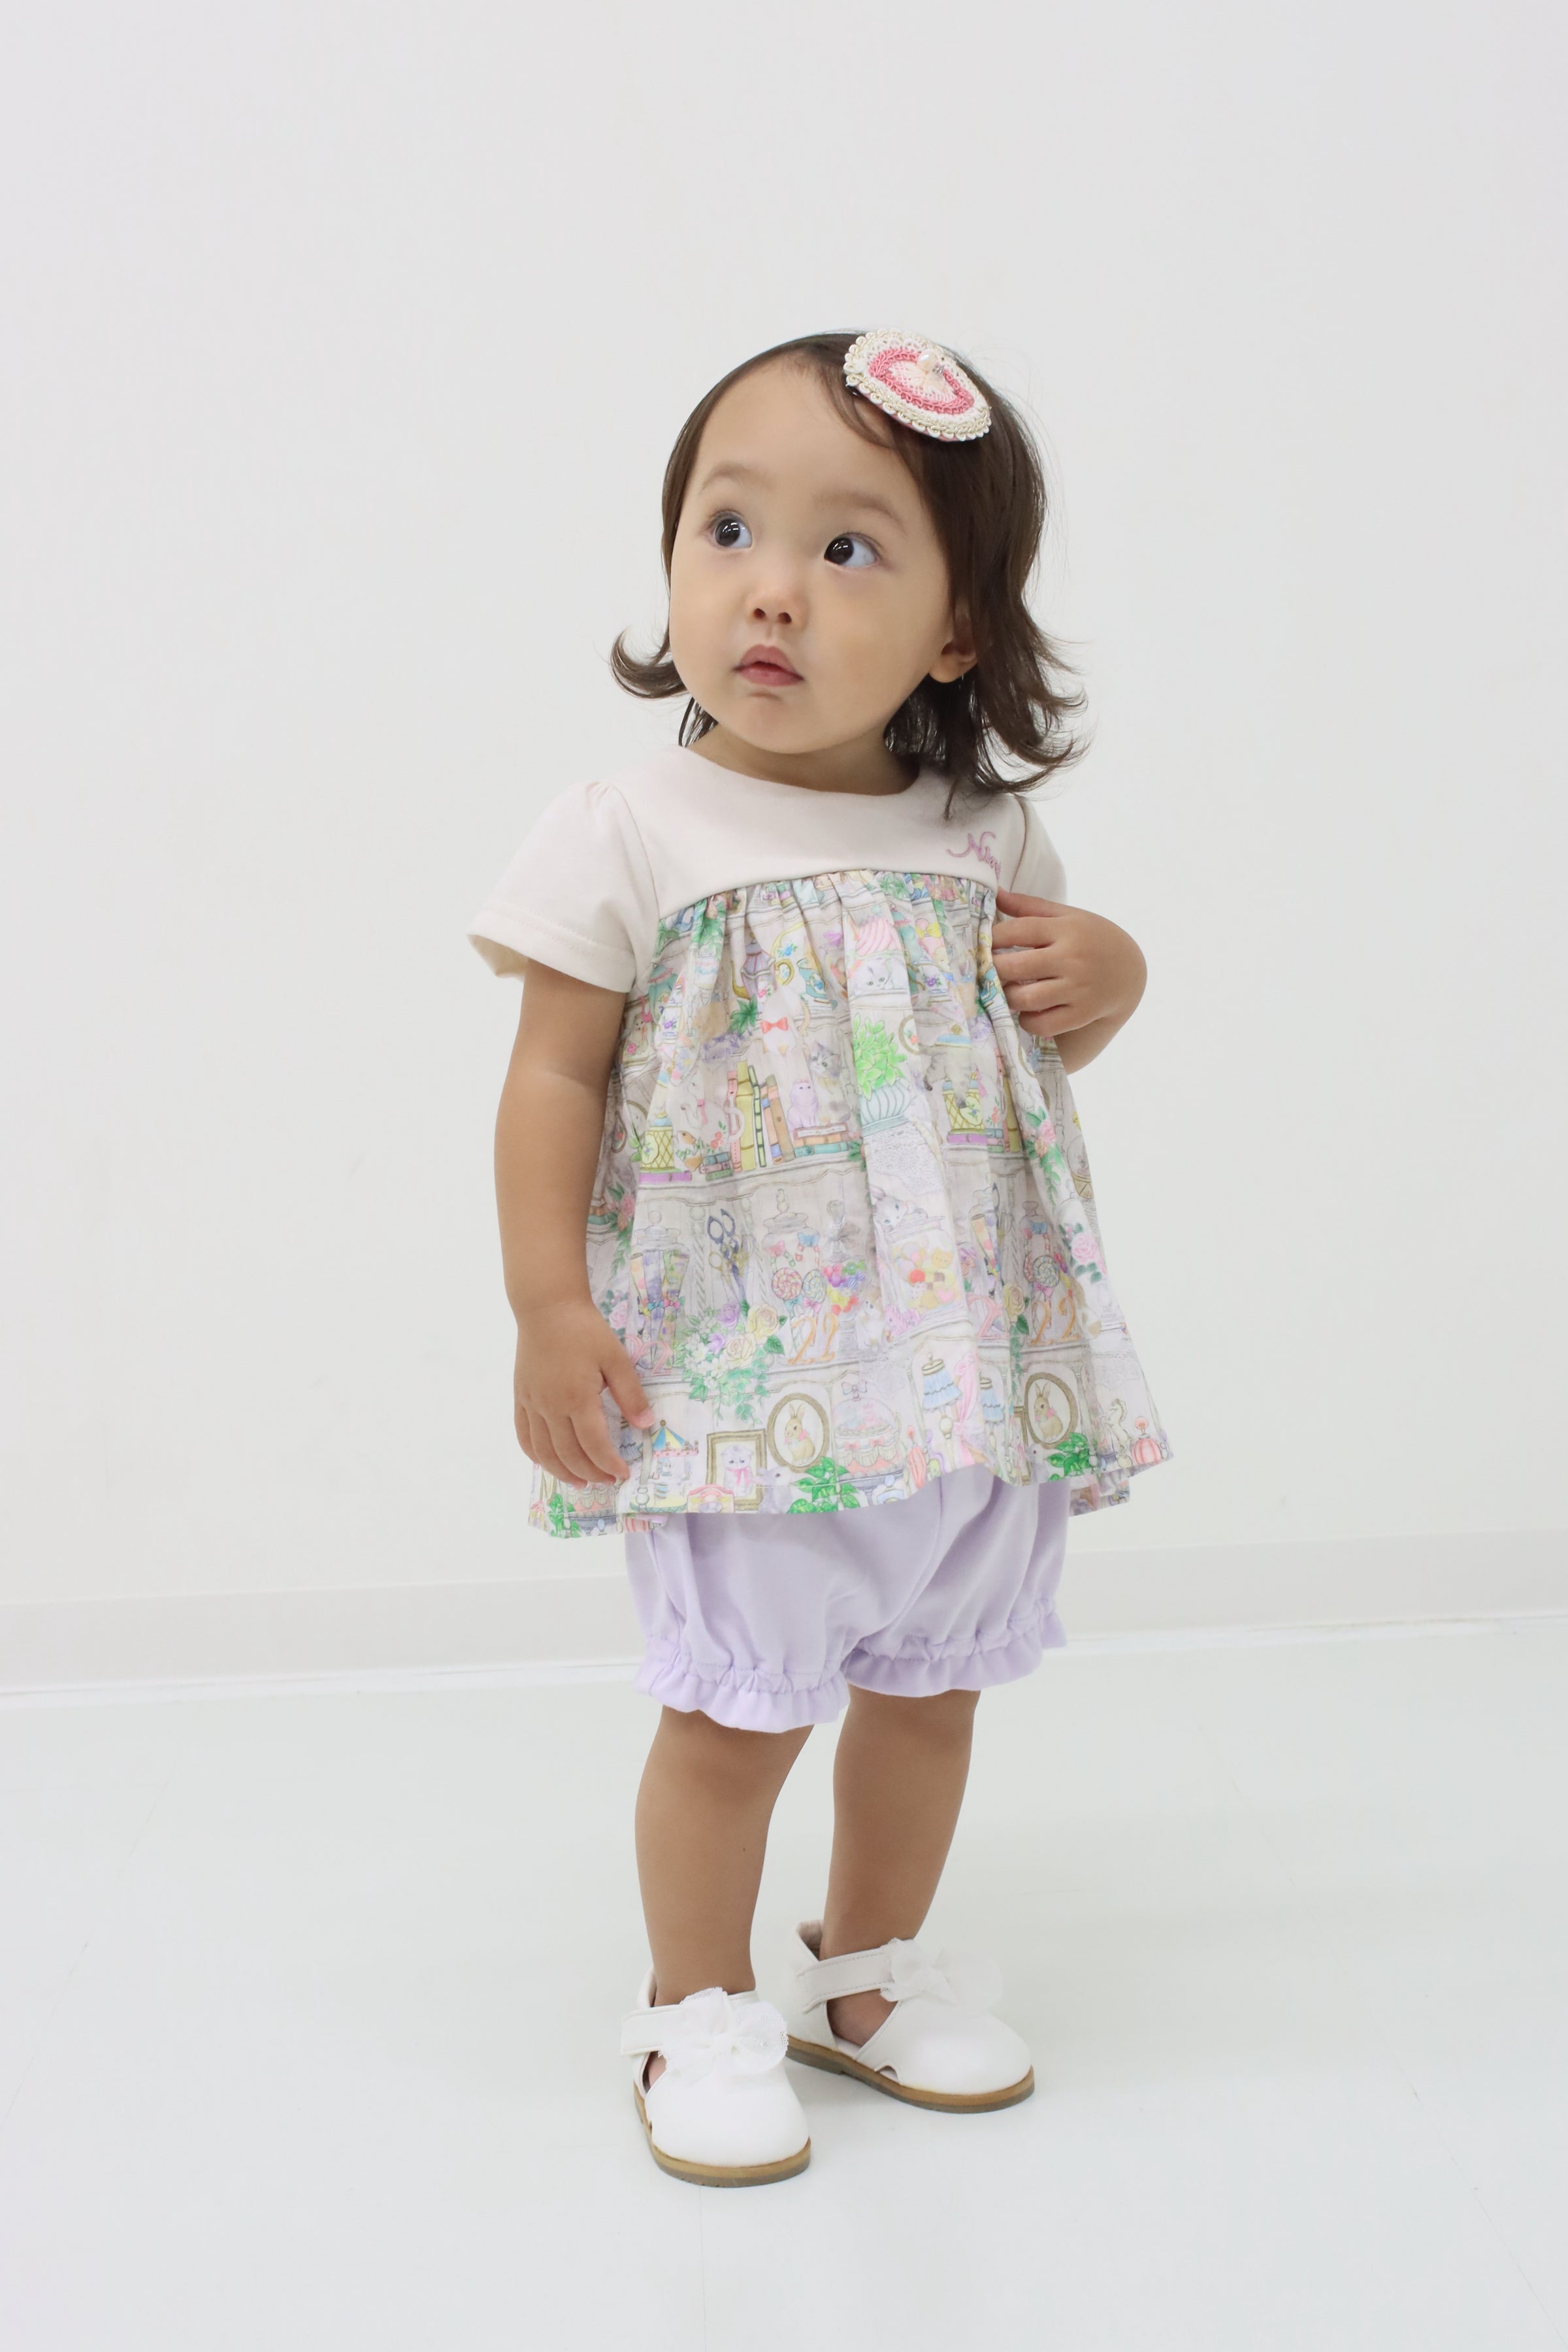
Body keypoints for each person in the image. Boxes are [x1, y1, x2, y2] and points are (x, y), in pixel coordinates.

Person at [469, 331, 1169, 2187]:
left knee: (930, 1697)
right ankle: (695, 2004)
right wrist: (548, 1304)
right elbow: (551, 1076)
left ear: (958, 631)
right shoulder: (632, 830)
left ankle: (864, 1972)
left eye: (848, 549)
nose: (771, 588)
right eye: (728, 529)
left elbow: (1020, 1058)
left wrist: (1111, 977)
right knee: (733, 1721)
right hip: (744, 1386)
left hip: (959, 1385)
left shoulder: (981, 836)